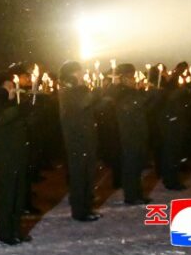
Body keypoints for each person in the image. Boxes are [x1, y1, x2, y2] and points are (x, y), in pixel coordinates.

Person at [0, 67, 32, 245]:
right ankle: (6, 232)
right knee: (7, 195)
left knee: (19, 194)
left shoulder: (14, 104)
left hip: (18, 154)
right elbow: (1, 119)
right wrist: (17, 108)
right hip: (6, 156)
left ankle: (16, 229)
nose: (12, 88)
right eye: (8, 85)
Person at [58, 61, 103, 221]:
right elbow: (84, 102)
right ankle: (80, 211)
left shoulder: (76, 90)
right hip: (77, 140)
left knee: (87, 174)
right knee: (80, 175)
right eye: (79, 72)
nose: (82, 75)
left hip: (85, 138)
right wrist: (96, 91)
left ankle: (86, 207)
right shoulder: (69, 91)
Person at [108, 63, 152, 204]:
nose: (133, 79)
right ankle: (132, 195)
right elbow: (136, 105)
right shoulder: (122, 92)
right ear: (123, 77)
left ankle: (137, 193)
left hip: (137, 132)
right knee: (131, 166)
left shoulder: (131, 91)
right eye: (129, 76)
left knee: (137, 166)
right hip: (128, 134)